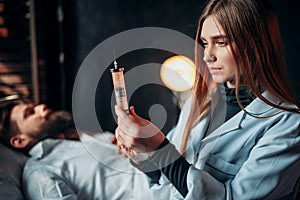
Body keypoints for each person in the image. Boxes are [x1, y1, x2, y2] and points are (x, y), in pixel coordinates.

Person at [114, 0, 300, 199]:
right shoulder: (200, 102)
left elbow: (233, 197)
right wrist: (143, 149)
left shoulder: (288, 124)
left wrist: (160, 149)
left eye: (221, 42)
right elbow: (166, 179)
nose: (207, 56)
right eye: (205, 43)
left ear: (255, 45)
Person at [0, 97, 173, 199]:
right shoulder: (40, 173)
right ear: (19, 141)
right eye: (30, 113)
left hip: (169, 166)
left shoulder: (79, 136)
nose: (41, 107)